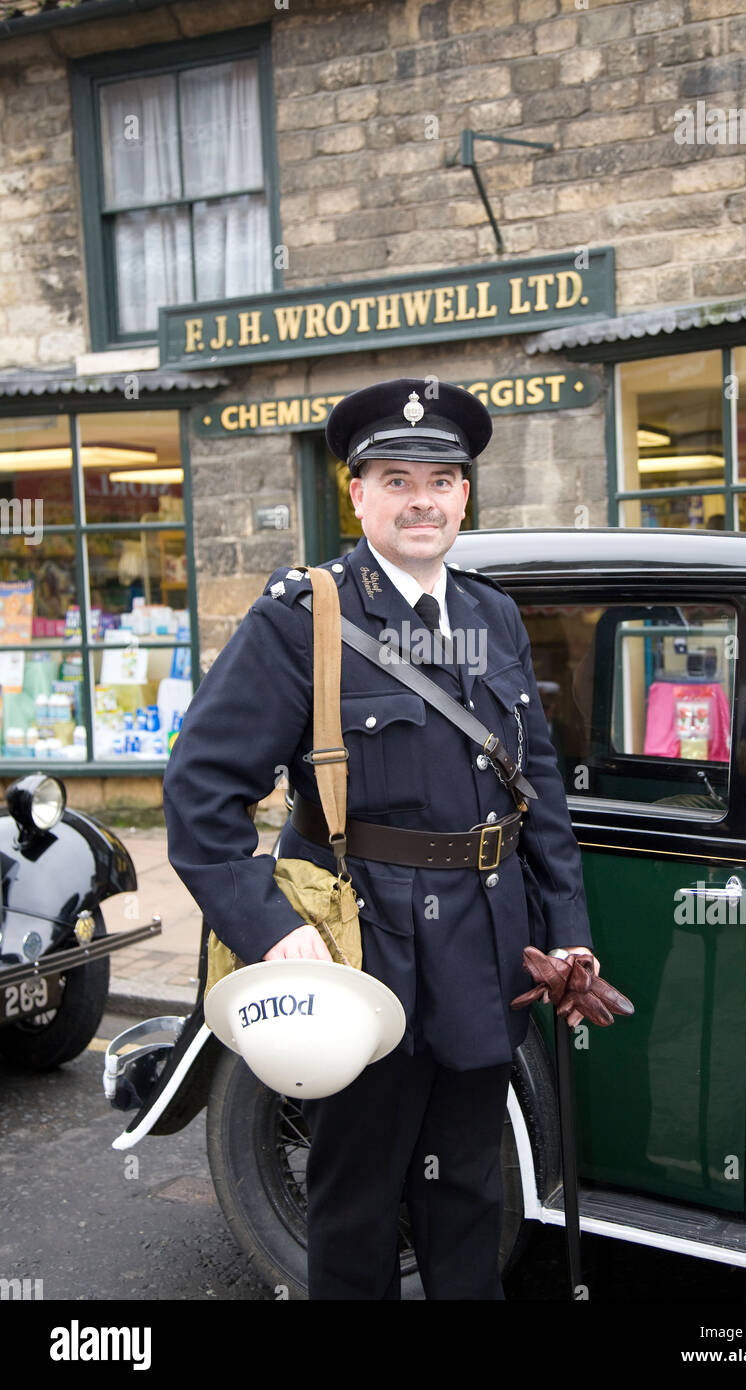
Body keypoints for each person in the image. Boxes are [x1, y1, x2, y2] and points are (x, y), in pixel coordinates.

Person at [162, 377, 596, 1300]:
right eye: (395, 478)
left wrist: (567, 929)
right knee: (356, 1207)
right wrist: (272, 933)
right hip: (361, 959)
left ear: (465, 496)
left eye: (441, 479)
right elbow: (200, 796)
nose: (421, 499)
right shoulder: (303, 620)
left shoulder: (492, 615)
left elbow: (538, 789)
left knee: (474, 1193)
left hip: (486, 954)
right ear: (355, 494)